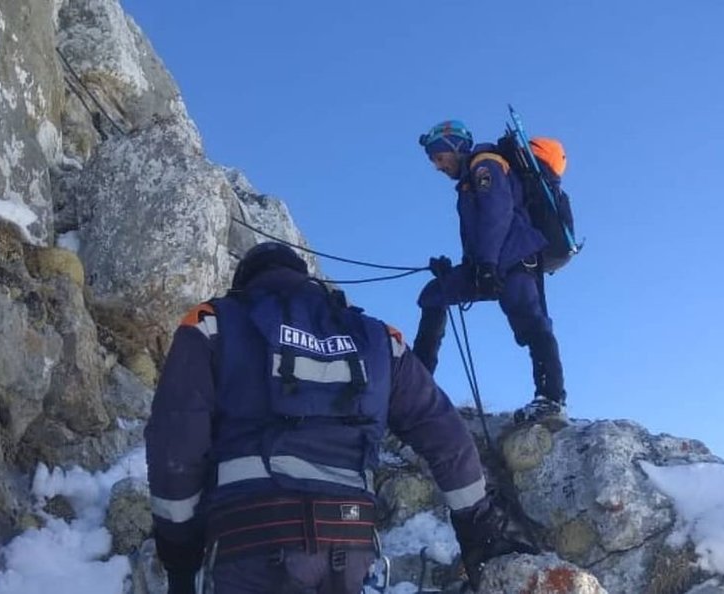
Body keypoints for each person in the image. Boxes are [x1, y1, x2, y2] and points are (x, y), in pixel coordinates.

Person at [145, 242, 533, 594]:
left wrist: (179, 553)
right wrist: (476, 524)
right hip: (349, 544)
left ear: (244, 282)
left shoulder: (212, 322)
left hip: (250, 541)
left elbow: (175, 443)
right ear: (306, 278)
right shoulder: (380, 338)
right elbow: (445, 433)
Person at [414, 120, 567, 423]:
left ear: (455, 147)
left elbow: (497, 213)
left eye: (438, 156)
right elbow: (483, 227)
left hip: (515, 259)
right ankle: (415, 387)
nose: (436, 165)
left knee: (530, 320)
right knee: (435, 294)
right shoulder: (472, 176)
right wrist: (459, 269)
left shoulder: (487, 164)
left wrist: (485, 265)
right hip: (492, 262)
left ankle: (551, 400)